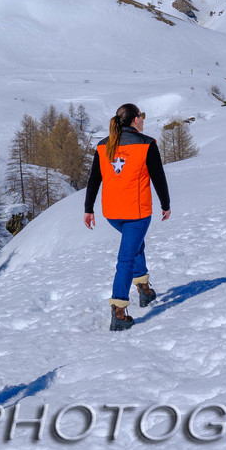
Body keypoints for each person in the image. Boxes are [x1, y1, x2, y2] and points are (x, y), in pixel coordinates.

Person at [82, 104, 171, 331]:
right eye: (142, 116)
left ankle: (143, 288)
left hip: (112, 213)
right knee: (126, 258)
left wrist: (89, 208)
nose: (143, 119)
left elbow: (94, 179)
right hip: (137, 213)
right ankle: (119, 310)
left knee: (134, 246)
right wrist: (165, 204)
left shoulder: (103, 145)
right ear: (134, 121)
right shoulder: (146, 144)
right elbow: (158, 177)